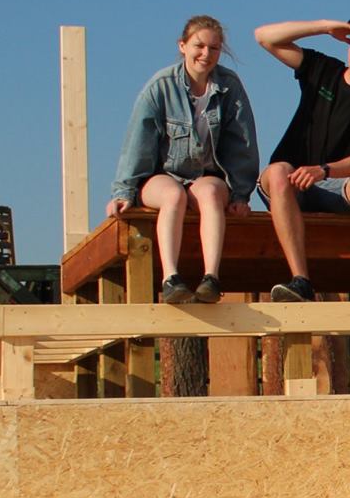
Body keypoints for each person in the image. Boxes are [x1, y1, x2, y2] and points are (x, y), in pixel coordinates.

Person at [108, 16, 259, 303]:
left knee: (213, 194)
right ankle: (171, 278)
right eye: (198, 46)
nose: (206, 54)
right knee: (173, 196)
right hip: (164, 173)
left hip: (206, 174)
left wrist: (240, 193)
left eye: (214, 48)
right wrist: (123, 191)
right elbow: (138, 141)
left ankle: (211, 278)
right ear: (183, 46)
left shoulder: (229, 86)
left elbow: (242, 140)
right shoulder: (161, 85)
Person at [254, 18, 350, 302]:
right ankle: (300, 282)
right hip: (289, 182)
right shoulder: (323, 68)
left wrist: (324, 170)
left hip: (334, 184)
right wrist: (324, 27)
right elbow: (264, 36)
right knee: (277, 172)